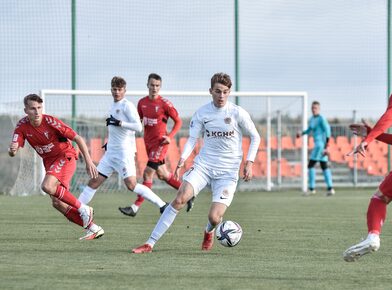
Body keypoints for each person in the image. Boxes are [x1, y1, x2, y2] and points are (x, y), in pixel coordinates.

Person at [131, 72, 261, 254]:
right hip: (204, 166)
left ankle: (209, 231)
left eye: (225, 92)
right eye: (217, 91)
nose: (221, 96)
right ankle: (150, 243)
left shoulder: (237, 113)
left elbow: (255, 137)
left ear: (229, 92)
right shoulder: (202, 113)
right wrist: (182, 159)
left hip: (228, 172)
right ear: (210, 91)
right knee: (180, 198)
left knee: (215, 217)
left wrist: (249, 162)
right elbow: (192, 139)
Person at [343, 56, 392, 262]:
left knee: (380, 198)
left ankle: (373, 237)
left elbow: (389, 117)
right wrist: (372, 133)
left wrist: (368, 139)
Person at [8, 93, 102, 240]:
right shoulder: (21, 126)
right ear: (26, 110)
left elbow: (77, 138)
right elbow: (13, 151)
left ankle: (84, 208)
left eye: (39, 107)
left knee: (46, 186)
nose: (37, 111)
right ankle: (93, 228)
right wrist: (12, 150)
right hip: (50, 163)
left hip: (65, 156)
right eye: (33, 108)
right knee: (57, 203)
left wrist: (88, 161)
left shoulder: (51, 122)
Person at [78, 76, 169, 218]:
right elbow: (114, 129)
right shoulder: (112, 105)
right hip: (110, 154)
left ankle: (163, 205)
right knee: (94, 181)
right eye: (114, 89)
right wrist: (109, 143)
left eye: (120, 89)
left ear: (124, 90)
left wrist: (121, 123)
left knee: (131, 185)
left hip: (124, 153)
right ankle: (76, 209)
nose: (117, 92)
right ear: (111, 90)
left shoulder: (127, 105)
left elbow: (138, 127)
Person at [118, 73, 194, 217]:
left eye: (157, 86)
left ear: (160, 87)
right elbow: (138, 122)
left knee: (147, 173)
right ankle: (189, 194)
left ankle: (135, 207)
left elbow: (178, 122)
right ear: (147, 85)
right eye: (152, 85)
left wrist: (169, 137)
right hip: (148, 143)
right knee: (163, 174)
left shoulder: (165, 104)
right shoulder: (142, 103)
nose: (154, 88)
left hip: (161, 143)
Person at [296, 101, 335, 196]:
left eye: (315, 108)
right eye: (312, 108)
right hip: (319, 145)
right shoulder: (312, 119)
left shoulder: (321, 119)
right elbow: (309, 129)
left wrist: (327, 146)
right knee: (324, 166)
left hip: (320, 146)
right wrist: (301, 133)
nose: (313, 110)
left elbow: (328, 131)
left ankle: (312, 188)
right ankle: (330, 188)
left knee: (310, 165)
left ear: (319, 109)